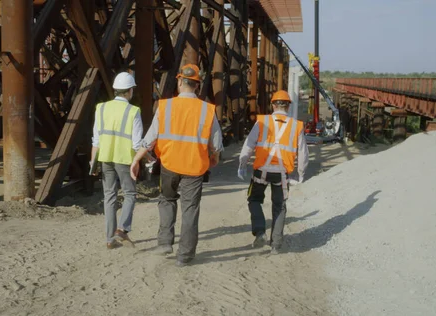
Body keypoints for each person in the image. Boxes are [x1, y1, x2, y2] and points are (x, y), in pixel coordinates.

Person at [130, 64, 224, 267]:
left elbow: (150, 138)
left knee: (167, 200)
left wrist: (136, 159)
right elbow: (216, 143)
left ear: (180, 82)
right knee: (190, 209)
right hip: (195, 167)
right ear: (197, 86)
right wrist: (214, 158)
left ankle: (164, 243)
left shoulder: (166, 106)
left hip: (170, 164)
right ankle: (185, 256)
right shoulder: (207, 110)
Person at [237, 90, 309, 254]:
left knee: (254, 199)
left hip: (261, 170)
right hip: (282, 174)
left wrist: (242, 164)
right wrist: (301, 174)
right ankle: (276, 245)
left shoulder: (262, 121)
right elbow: (303, 154)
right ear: (288, 106)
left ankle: (260, 231)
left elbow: (249, 145)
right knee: (279, 206)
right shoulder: (296, 125)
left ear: (273, 104)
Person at [91, 72, 143, 249]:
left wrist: (93, 163)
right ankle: (122, 228)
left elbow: (96, 139)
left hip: (106, 158)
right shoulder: (133, 111)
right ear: (129, 91)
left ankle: (109, 239)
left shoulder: (101, 108)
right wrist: (148, 157)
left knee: (109, 197)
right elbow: (137, 144)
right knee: (130, 194)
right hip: (124, 158)